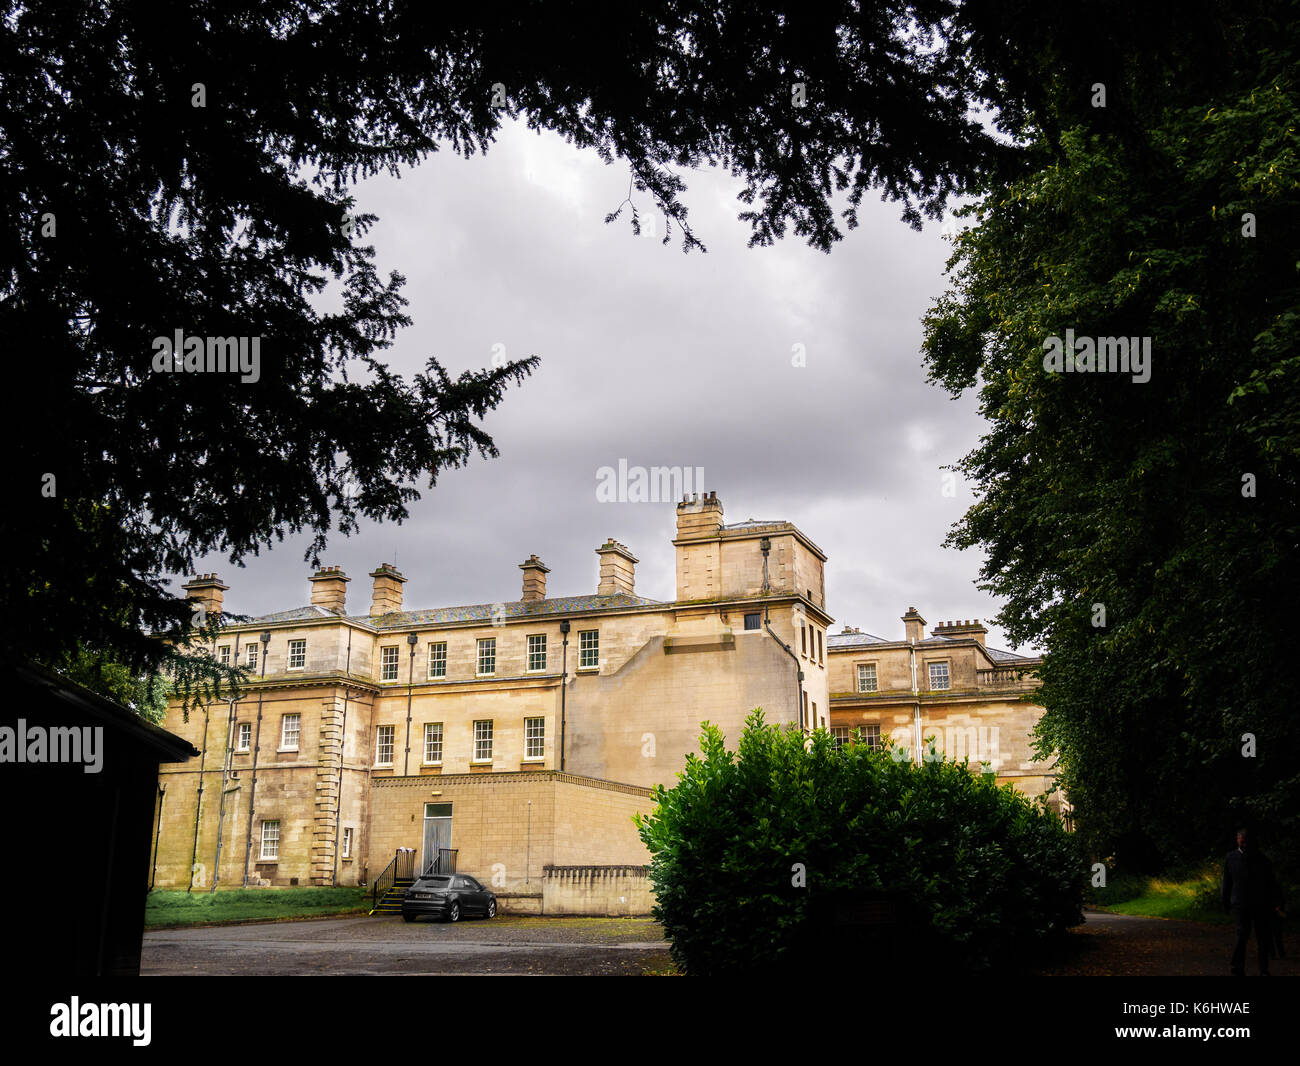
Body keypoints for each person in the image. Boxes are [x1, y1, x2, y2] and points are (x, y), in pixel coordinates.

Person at [1221, 827, 1276, 976]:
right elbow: (1226, 882)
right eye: (1242, 841)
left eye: (1247, 842)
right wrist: (1225, 901)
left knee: (1262, 938)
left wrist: (1274, 903)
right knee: (1241, 936)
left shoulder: (1262, 859)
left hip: (1260, 904)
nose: (1244, 845)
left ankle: (1264, 969)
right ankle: (1237, 967)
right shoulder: (1231, 857)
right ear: (1238, 840)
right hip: (1240, 904)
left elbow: (1270, 883)